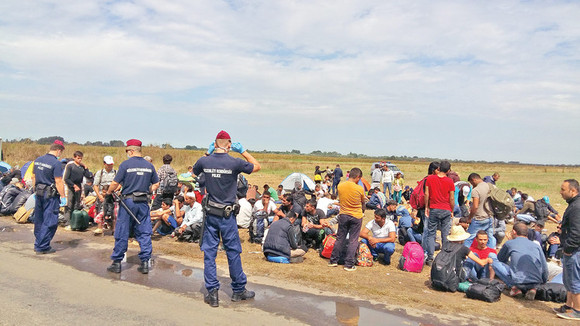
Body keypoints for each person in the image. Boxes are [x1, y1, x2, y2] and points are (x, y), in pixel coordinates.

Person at [193, 130, 260, 307]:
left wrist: (207, 153)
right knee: (233, 252)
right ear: (229, 144)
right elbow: (256, 166)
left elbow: (194, 172)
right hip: (227, 215)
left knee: (209, 252)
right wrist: (243, 151)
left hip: (211, 214)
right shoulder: (235, 162)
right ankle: (238, 290)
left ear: (215, 143)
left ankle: (212, 293)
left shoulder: (205, 160)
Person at [105, 139, 160, 275]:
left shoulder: (125, 165)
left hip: (128, 202)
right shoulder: (149, 166)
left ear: (131, 150)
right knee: (144, 232)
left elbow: (114, 183)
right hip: (143, 202)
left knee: (122, 231)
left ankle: (117, 263)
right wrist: (148, 190)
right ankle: (145, 262)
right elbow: (156, 184)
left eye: (127, 151)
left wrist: (109, 192)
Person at [492, 222, 549, 300]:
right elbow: (544, 267)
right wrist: (543, 282)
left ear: (514, 232)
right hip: (535, 282)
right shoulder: (536, 246)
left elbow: (501, 260)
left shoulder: (509, 243)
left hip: (517, 281)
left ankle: (514, 288)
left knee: (494, 262)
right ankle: (532, 289)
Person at [32, 140, 66, 254]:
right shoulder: (56, 163)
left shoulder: (38, 160)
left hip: (39, 192)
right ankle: (42, 246)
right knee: (50, 220)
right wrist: (63, 196)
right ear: (58, 150)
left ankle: (38, 241)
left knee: (39, 219)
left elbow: (33, 177)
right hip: (50, 195)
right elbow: (58, 181)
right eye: (60, 152)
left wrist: (34, 191)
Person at [328, 167, 366, 271]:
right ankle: (349, 264)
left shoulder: (340, 186)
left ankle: (333, 260)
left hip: (343, 214)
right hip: (356, 216)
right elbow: (363, 201)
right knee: (353, 240)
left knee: (340, 238)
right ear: (357, 177)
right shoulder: (359, 188)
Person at [555, 179, 580, 320]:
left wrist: (569, 248)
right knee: (569, 279)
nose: (561, 192)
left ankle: (578, 310)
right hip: (572, 249)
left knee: (574, 279)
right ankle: (569, 306)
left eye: (563, 189)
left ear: (573, 190)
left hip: (574, 250)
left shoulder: (576, 207)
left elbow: (577, 232)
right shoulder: (574, 204)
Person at [423, 160, 455, 266]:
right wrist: (452, 210)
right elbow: (451, 198)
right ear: (448, 170)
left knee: (431, 233)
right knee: (445, 234)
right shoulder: (450, 181)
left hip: (434, 208)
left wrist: (427, 206)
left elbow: (426, 194)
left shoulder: (430, 179)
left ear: (439, 168)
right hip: (446, 209)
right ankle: (444, 257)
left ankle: (431, 257)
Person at [464, 173, 496, 249]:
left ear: (474, 180)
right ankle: (491, 253)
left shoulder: (476, 190)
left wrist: (469, 218)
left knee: (469, 237)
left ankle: (466, 255)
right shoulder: (489, 186)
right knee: (490, 237)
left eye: (472, 183)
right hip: (490, 217)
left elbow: (475, 206)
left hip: (479, 218)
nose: (472, 185)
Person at [63, 151, 93, 229]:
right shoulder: (70, 166)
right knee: (69, 204)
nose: (79, 160)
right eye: (78, 158)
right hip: (70, 186)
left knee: (77, 204)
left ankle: (75, 221)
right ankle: (67, 222)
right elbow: (66, 178)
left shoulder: (81, 167)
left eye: (81, 158)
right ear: (74, 157)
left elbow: (88, 176)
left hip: (79, 186)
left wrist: (86, 168)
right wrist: (73, 185)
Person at [93, 155, 116, 234]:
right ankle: (100, 228)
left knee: (113, 212)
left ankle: (113, 228)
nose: (110, 166)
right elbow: (95, 185)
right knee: (100, 211)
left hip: (113, 195)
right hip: (102, 195)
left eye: (111, 164)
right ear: (104, 164)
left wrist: (115, 190)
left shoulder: (115, 172)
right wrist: (99, 196)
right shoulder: (100, 173)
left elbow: (119, 183)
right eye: (108, 164)